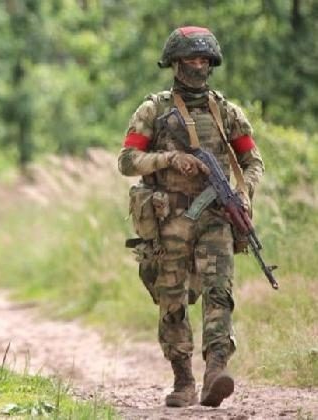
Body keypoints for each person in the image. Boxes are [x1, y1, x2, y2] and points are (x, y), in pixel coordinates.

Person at [117, 27, 265, 408]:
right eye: (190, 60)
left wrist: (244, 193)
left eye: (203, 60)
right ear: (175, 63)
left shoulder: (226, 112)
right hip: (170, 218)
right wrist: (169, 159)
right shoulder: (153, 110)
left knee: (219, 291)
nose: (197, 66)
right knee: (172, 298)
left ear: (211, 64)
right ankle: (183, 379)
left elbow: (252, 161)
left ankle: (216, 370)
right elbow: (127, 161)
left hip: (216, 215)